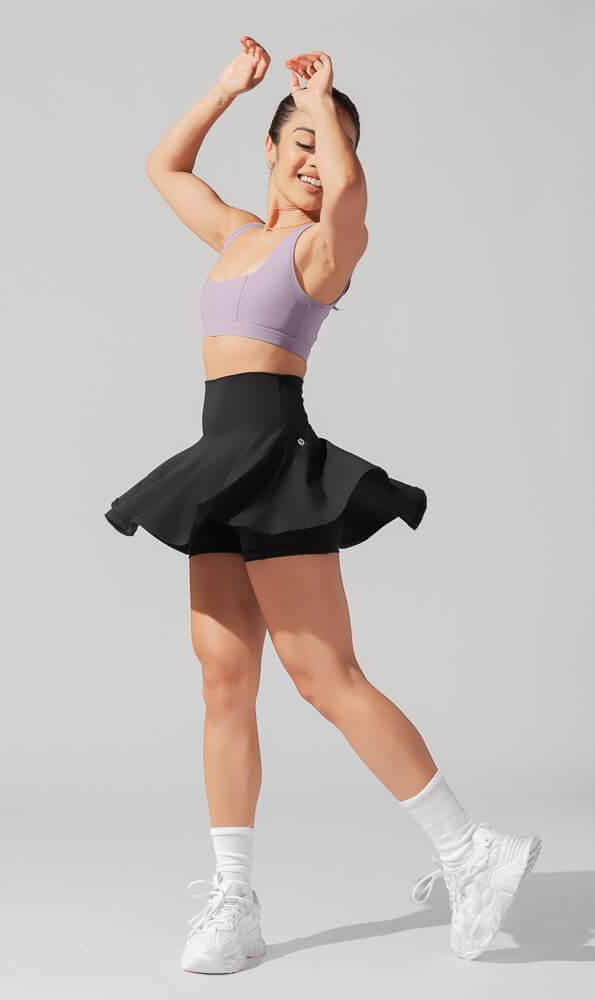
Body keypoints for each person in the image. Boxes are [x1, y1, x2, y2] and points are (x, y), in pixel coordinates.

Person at [104, 38, 541, 973]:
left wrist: (322, 102)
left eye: (331, 142)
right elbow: (164, 167)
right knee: (223, 681)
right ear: (268, 149)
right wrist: (228, 88)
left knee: (324, 676)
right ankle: (234, 899)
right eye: (299, 140)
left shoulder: (322, 248)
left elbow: (348, 192)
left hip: (276, 459)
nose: (314, 157)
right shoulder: (236, 235)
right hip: (217, 463)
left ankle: (470, 852)